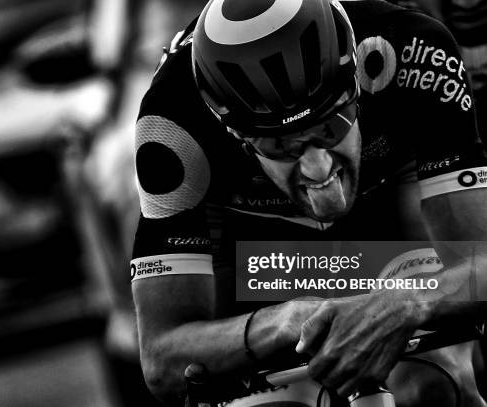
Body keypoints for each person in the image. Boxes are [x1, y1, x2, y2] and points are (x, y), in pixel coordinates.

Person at [130, 0, 487, 405]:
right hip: (259, 253)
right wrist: (286, 321)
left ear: (356, 85)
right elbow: (161, 360)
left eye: (332, 125)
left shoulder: (406, 51)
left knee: (435, 389)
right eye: (279, 145)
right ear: (235, 133)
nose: (318, 169)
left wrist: (407, 301)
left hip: (385, 204)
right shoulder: (174, 124)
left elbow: (478, 263)